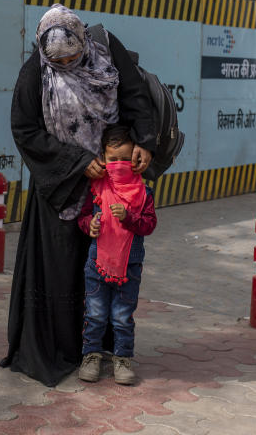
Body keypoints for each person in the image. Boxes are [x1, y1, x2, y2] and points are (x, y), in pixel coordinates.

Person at [0, 4, 156, 387]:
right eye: (60, 61)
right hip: (61, 187)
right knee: (61, 266)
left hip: (112, 180)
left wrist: (144, 142)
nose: (68, 64)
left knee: (109, 269)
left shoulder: (106, 48)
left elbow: (136, 97)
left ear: (83, 40)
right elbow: (25, 130)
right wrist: (75, 162)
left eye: (73, 57)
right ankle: (65, 350)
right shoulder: (33, 71)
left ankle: (106, 349)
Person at [76, 124, 157, 385]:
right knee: (95, 314)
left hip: (129, 267)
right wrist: (89, 225)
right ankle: (91, 356)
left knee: (122, 317)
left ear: (135, 157)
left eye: (125, 158)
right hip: (96, 264)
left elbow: (149, 225)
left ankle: (122, 359)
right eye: (113, 159)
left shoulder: (143, 193)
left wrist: (130, 217)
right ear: (102, 158)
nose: (119, 164)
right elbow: (83, 216)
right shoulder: (96, 187)